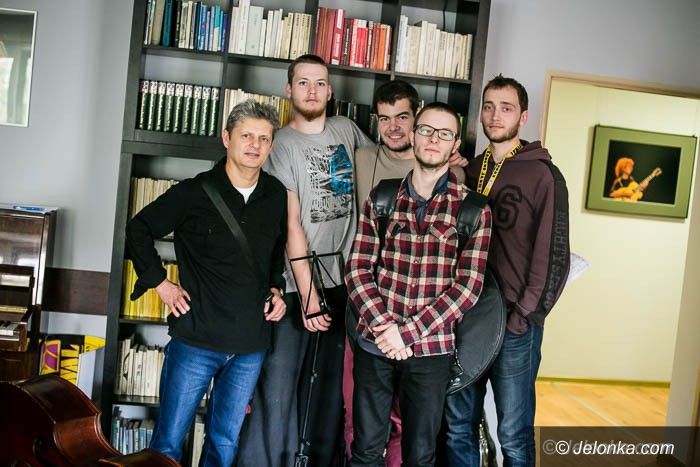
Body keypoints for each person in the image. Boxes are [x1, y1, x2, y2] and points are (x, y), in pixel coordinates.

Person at [125, 100, 288, 466]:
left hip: (249, 344)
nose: (255, 145)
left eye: (264, 138)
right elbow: (138, 229)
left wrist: (276, 289)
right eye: (246, 135)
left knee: (224, 444)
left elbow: (275, 254)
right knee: (167, 443)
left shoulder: (276, 195)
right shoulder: (194, 192)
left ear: (271, 145)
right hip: (195, 339)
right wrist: (161, 284)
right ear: (227, 138)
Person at [237, 54, 373, 467]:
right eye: (303, 83)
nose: (312, 91)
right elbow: (292, 224)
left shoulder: (346, 129)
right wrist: (309, 294)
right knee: (279, 386)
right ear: (289, 90)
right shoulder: (279, 145)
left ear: (330, 91)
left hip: (344, 283)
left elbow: (385, 164)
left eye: (319, 83)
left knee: (329, 391)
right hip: (297, 287)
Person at [345, 102, 492, 467]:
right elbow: (358, 267)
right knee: (365, 450)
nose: (433, 139)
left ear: (454, 144)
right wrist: (385, 328)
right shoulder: (383, 196)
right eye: (426, 130)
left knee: (420, 455)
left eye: (444, 133)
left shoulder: (473, 209)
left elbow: (467, 288)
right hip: (375, 342)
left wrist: (406, 334)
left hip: (431, 350)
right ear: (413, 135)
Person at [444, 74, 570, 467]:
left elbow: (553, 254)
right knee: (458, 425)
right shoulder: (471, 169)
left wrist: (525, 317)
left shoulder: (543, 175)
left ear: (523, 117)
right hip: (467, 318)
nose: (495, 115)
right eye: (488, 107)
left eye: (506, 108)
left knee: (513, 435)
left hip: (516, 323)